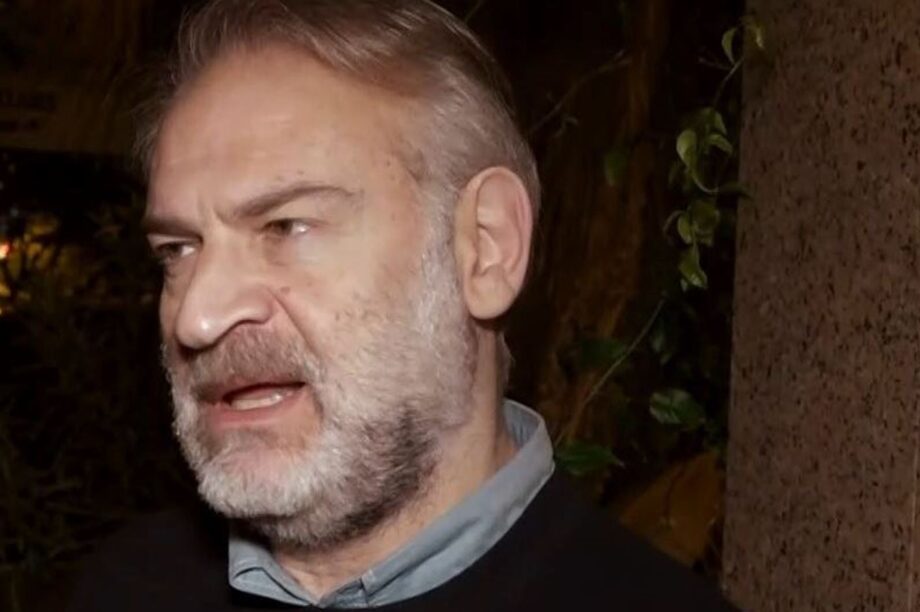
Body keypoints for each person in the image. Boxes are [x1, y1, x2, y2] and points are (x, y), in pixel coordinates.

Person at [69, 1, 736, 610]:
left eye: (285, 227)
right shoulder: (125, 588)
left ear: (485, 249)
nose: (197, 317)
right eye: (178, 250)